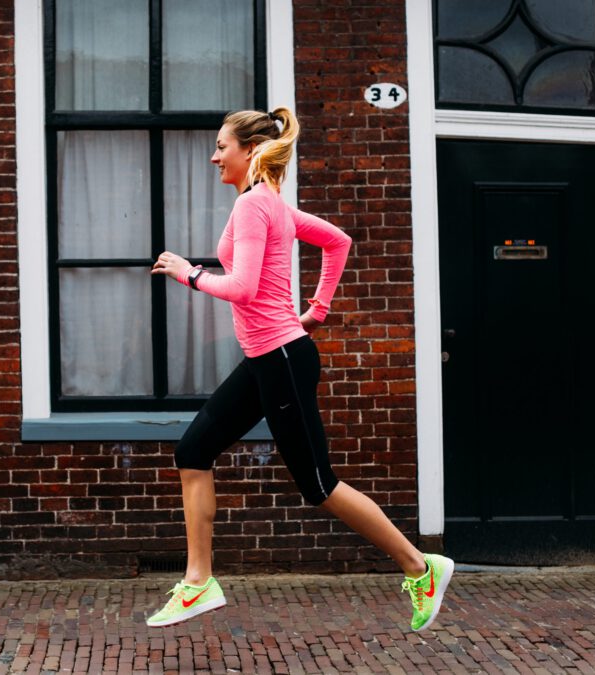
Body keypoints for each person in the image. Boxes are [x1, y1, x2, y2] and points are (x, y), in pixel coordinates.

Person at [147, 107, 453, 631]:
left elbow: (241, 287)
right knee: (193, 451)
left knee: (319, 486)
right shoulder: (271, 205)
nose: (214, 155)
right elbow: (338, 242)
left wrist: (189, 273)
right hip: (270, 358)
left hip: (282, 360)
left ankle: (421, 567)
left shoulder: (254, 206)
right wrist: (318, 309)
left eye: (223, 146)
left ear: (250, 151)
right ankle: (198, 584)